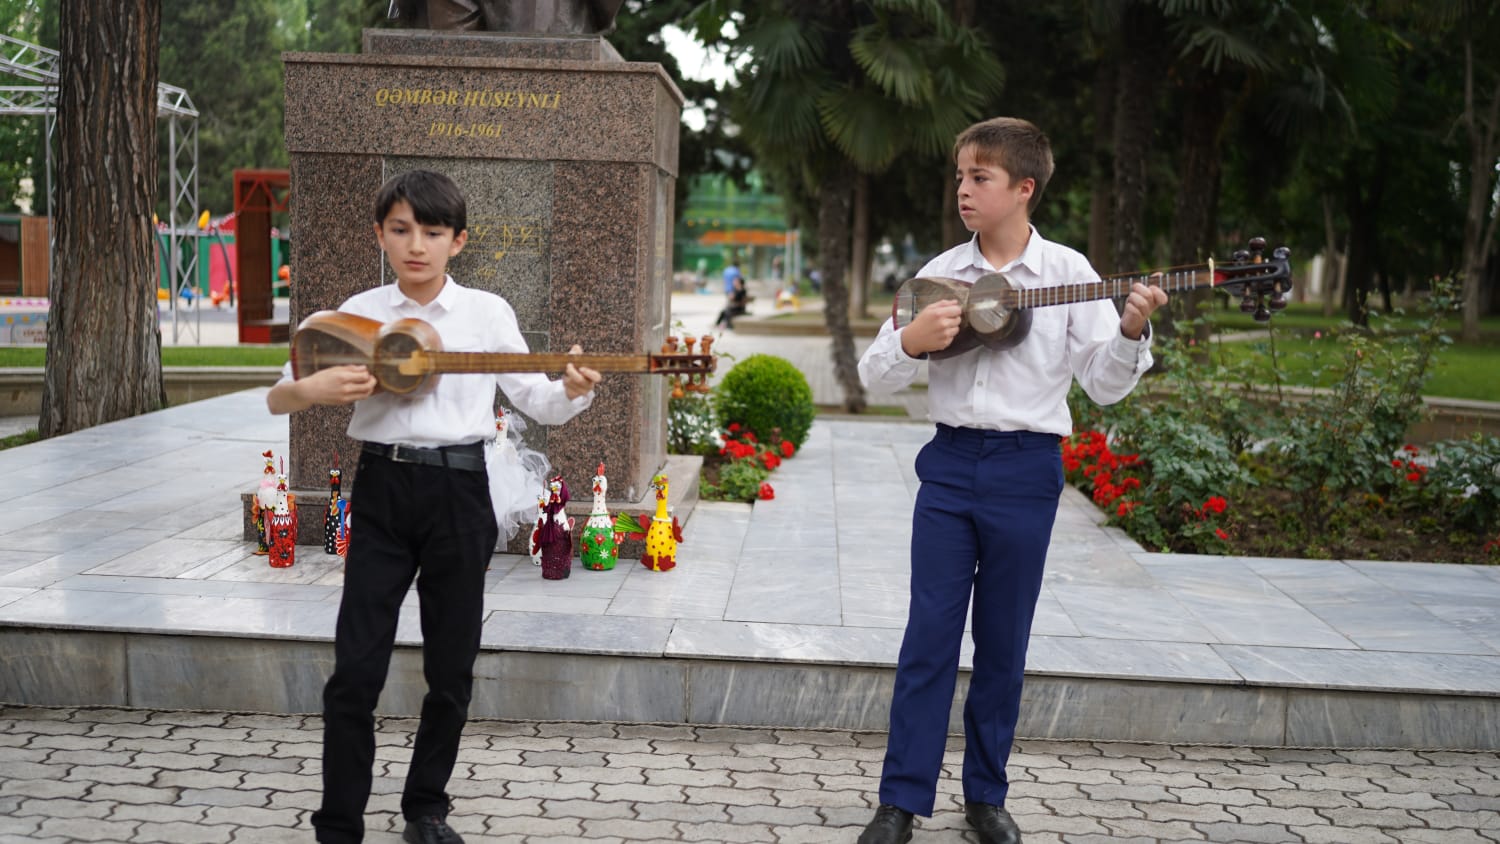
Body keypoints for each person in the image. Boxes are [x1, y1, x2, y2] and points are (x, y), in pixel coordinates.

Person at [853, 117, 1167, 844]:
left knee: (1004, 642)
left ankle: (986, 798)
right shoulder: (939, 273)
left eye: (980, 178)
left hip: (1028, 471)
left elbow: (1104, 385)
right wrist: (908, 341)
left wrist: (1128, 334)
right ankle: (900, 801)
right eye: (961, 176)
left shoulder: (1069, 275)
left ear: (1024, 188)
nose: (963, 189)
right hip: (950, 467)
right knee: (928, 636)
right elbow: (874, 374)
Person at [266, 169, 602, 844]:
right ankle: (338, 825)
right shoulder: (356, 312)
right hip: (383, 490)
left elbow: (536, 400)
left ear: (458, 241)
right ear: (379, 235)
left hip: (459, 492)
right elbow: (279, 395)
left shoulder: (486, 313)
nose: (416, 244)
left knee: (450, 667)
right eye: (400, 229)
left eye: (433, 231)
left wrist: (573, 388)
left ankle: (426, 809)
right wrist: (315, 389)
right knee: (356, 667)